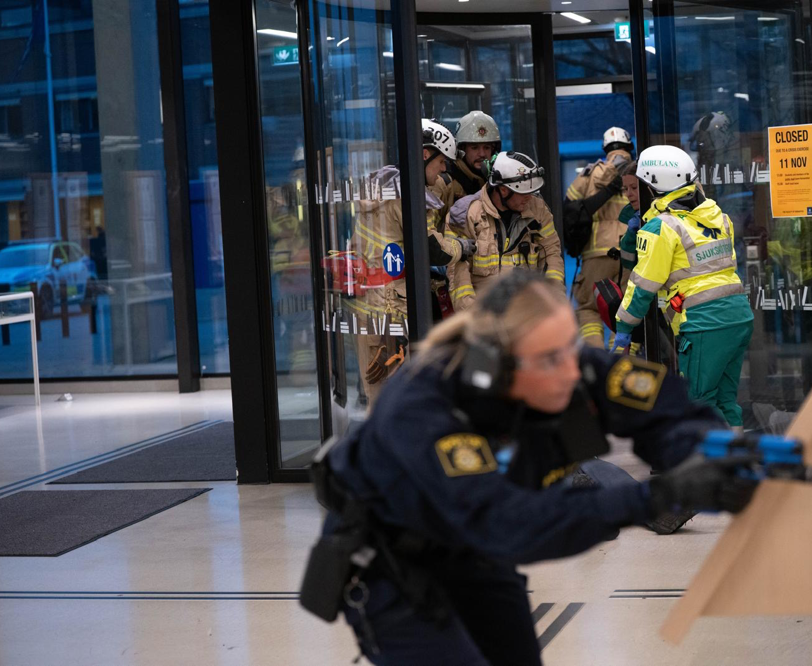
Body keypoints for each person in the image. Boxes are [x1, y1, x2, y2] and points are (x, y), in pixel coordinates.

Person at [300, 270, 762, 665]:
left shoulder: (565, 361)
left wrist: (705, 456)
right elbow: (504, 522)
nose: (571, 371)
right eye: (549, 360)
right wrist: (651, 498)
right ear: (496, 367)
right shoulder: (424, 405)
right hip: (393, 566)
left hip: (473, 552)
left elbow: (666, 408)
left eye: (570, 349)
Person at [613, 145, 754, 433]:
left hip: (705, 322)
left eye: (642, 184)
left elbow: (643, 284)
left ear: (653, 185)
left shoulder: (661, 227)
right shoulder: (717, 217)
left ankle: (712, 468)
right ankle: (735, 463)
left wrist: (623, 327)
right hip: (739, 316)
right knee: (726, 400)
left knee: (698, 400)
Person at [350, 119, 476, 405]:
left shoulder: (382, 185)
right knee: (398, 394)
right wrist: (465, 246)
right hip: (393, 304)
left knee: (378, 391)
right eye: (441, 161)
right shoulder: (407, 195)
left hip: (370, 301)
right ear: (423, 154)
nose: (444, 168)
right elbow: (434, 250)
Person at [445, 151, 565, 310]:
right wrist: (475, 319)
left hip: (527, 314)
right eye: (523, 191)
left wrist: (555, 301)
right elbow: (458, 276)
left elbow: (551, 253)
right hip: (485, 315)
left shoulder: (538, 211)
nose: (529, 197)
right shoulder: (465, 215)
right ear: (502, 190)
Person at [564, 127, 637, 347]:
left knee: (588, 308)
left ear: (606, 149)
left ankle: (597, 356)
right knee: (630, 309)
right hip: (631, 252)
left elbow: (569, 208)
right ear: (629, 148)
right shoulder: (637, 172)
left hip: (596, 254)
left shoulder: (589, 174)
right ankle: (622, 362)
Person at [431, 110, 502, 222]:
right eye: (474, 148)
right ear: (462, 149)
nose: (482, 154)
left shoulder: (497, 181)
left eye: (487, 147)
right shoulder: (444, 182)